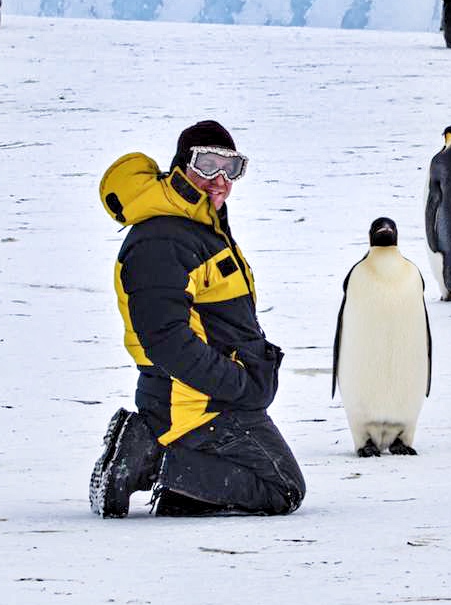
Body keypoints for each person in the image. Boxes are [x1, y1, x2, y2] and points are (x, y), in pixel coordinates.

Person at [89, 120, 305, 517]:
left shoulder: (198, 227)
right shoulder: (163, 239)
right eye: (207, 164)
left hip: (211, 398)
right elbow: (166, 341)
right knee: (282, 488)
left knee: (271, 482)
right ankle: (150, 457)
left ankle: (165, 467)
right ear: (180, 166)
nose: (219, 179)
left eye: (232, 168)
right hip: (197, 405)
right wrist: (238, 384)